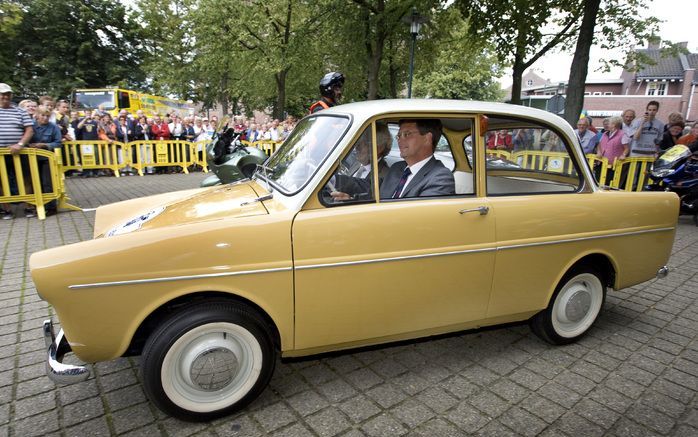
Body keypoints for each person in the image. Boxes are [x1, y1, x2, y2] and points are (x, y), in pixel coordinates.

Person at [379, 119, 455, 199]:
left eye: (407, 134)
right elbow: (372, 188)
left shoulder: (440, 178)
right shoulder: (396, 167)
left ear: (427, 138)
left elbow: (423, 211)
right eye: (399, 136)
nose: (400, 140)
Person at [329, 123, 392, 201]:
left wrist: (350, 200)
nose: (357, 147)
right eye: (357, 142)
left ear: (379, 148)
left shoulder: (386, 176)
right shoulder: (356, 164)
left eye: (363, 143)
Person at [0, 83, 34, 220]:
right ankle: (7, 209)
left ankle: (29, 206)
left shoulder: (20, 111)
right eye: (2, 94)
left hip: (20, 152)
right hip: (0, 153)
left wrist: (20, 144)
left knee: (26, 179)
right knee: (1, 182)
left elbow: (29, 130)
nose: (5, 97)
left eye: (7, 94)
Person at [28, 106, 62, 216]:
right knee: (34, 183)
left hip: (47, 159)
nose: (45, 118)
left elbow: (58, 143)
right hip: (32, 159)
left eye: (48, 116)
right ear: (37, 115)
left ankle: (51, 207)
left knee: (48, 183)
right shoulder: (30, 126)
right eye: (43, 115)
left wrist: (44, 145)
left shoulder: (53, 127)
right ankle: (36, 205)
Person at [595, 116, 627, 183]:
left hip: (613, 164)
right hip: (601, 162)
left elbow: (626, 148)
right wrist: (599, 152)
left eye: (609, 123)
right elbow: (599, 144)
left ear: (614, 124)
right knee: (598, 180)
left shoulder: (622, 134)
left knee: (608, 182)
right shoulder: (605, 133)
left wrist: (623, 155)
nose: (607, 125)